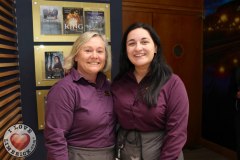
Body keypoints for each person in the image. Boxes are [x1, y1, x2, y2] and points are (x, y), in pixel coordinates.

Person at [111, 22, 189, 160]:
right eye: (131, 43)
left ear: (155, 48)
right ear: (126, 50)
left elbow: (177, 133)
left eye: (144, 42)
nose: (138, 48)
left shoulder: (173, 83)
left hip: (162, 153)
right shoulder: (118, 83)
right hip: (125, 152)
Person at [44, 31, 116, 160]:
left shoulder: (108, 86)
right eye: (88, 50)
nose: (95, 56)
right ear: (76, 56)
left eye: (100, 51)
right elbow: (55, 139)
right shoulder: (64, 89)